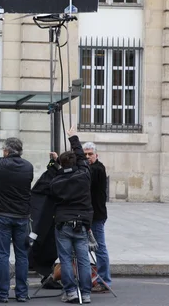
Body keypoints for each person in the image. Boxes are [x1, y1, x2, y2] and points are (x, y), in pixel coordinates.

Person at [0, 133, 34, 303]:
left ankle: (2, 293)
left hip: (3, 215)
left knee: (3, 254)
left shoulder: (1, 164)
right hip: (22, 216)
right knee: (22, 255)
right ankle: (22, 293)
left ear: (6, 151)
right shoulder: (28, 166)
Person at [50, 126, 93, 304]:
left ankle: (71, 292)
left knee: (66, 259)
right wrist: (73, 138)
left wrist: (57, 165)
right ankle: (86, 293)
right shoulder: (84, 175)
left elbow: (62, 175)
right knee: (83, 259)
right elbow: (81, 159)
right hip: (81, 221)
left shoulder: (56, 182)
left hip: (63, 222)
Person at [83, 141, 111, 293]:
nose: (87, 157)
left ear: (96, 155)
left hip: (97, 215)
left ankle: (104, 281)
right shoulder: (90, 168)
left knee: (99, 248)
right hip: (90, 214)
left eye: (90, 154)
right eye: (85, 154)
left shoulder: (97, 169)